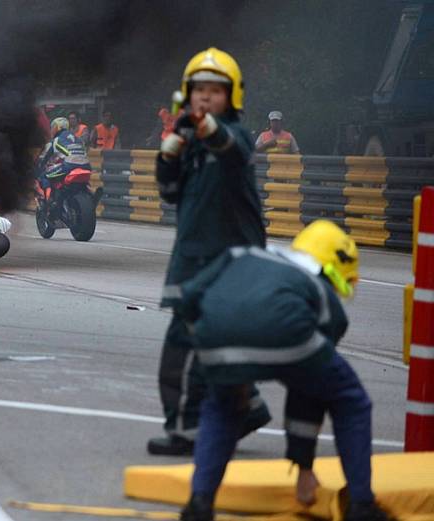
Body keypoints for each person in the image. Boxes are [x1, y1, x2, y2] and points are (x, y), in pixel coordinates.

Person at [172, 221, 391, 521]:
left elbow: (190, 295)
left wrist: (202, 338)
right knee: (350, 400)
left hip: (215, 335)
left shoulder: (243, 254)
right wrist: (304, 467)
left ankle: (199, 504)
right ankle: (362, 506)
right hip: (289, 332)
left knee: (223, 407)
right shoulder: (323, 296)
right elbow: (309, 391)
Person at [150, 47, 272, 456]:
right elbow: (169, 193)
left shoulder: (236, 136)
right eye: (198, 90)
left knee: (185, 347)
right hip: (196, 257)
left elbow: (229, 148)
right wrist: (171, 147)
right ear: (186, 95)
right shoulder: (191, 146)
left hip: (228, 261)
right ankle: (246, 406)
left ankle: (185, 431)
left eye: (215, 91)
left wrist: (202, 128)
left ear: (231, 96)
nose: (205, 97)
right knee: (214, 345)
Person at [36, 117, 91, 192]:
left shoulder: (56, 140)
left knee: (44, 176)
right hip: (87, 166)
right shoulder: (77, 138)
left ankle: (47, 200)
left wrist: (40, 166)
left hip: (69, 166)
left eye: (54, 127)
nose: (52, 129)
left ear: (59, 127)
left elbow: (45, 157)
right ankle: (89, 192)